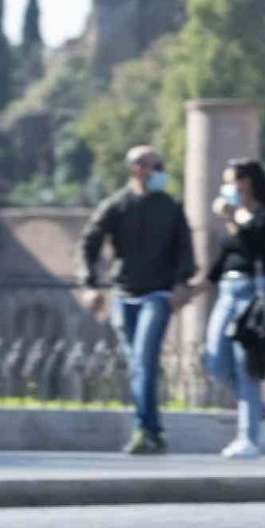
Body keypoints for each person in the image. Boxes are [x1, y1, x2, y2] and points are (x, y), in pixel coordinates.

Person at [80, 145, 197, 456]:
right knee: (137, 365)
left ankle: (144, 429)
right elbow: (89, 240)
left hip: (157, 295)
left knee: (144, 360)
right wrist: (89, 284)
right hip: (125, 294)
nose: (160, 171)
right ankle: (154, 431)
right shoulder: (117, 205)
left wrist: (183, 283)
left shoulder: (169, 206)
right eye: (154, 165)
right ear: (137, 169)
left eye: (161, 164)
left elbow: (185, 247)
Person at [192, 158, 265, 459]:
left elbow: (255, 247)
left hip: (256, 291)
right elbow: (227, 255)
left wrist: (233, 215)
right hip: (228, 291)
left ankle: (248, 437)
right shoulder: (237, 218)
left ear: (248, 182)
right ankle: (264, 413)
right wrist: (199, 285)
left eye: (233, 180)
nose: (228, 187)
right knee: (215, 361)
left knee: (247, 364)